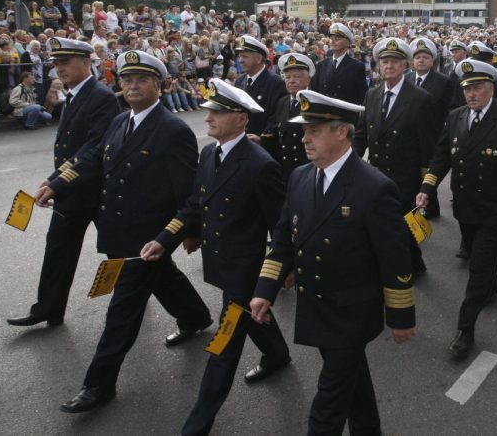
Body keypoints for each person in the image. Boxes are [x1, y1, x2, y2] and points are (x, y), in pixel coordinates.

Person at [39, 50, 213, 414]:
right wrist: (58, 183)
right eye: (127, 80)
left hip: (150, 234)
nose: (133, 86)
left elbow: (187, 191)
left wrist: (189, 232)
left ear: (161, 86)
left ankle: (98, 383)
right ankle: (195, 316)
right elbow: (93, 160)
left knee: (122, 311)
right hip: (118, 229)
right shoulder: (120, 122)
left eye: (142, 80)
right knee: (163, 276)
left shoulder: (173, 130)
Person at [249, 90, 416, 435]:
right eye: (304, 130)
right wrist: (265, 289)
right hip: (316, 305)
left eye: (315, 131)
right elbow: (283, 239)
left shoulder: (374, 187)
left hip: (351, 312)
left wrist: (400, 317)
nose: (305, 138)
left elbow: (394, 257)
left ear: (342, 132)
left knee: (328, 404)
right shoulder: (299, 176)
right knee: (353, 383)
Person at [141, 79, 291, 435]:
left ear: (241, 119)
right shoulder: (210, 153)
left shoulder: (260, 164)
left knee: (224, 343)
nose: (208, 117)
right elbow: (194, 203)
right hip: (220, 263)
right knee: (251, 317)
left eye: (217, 111)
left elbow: (280, 226)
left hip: (245, 268)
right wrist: (165, 239)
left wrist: (282, 271)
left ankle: (199, 421)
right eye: (209, 109)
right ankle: (279, 355)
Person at [416, 59, 497, 359]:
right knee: (477, 258)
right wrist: (427, 188)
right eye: (467, 88)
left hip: (495, 208)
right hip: (465, 205)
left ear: (491, 88)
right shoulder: (456, 116)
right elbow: (442, 155)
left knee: (478, 267)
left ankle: (465, 330)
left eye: (478, 88)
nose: (471, 94)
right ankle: (491, 284)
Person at [7, 38, 120, 329]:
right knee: (58, 248)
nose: (60, 68)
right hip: (73, 190)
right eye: (56, 64)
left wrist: (58, 182)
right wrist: (55, 179)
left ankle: (183, 310)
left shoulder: (101, 96)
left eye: (65, 62)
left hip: (97, 189)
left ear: (86, 63)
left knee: (123, 250)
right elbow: (72, 147)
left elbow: (95, 148)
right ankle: (48, 309)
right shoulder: (73, 95)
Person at [354, 37, 436, 276]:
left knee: (398, 224)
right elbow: (361, 134)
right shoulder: (372, 94)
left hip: (405, 176)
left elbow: (427, 146)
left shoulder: (420, 98)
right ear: (378, 65)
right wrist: (350, 161)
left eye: (394, 61)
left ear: (405, 65)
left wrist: (425, 185)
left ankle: (405, 268)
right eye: (384, 61)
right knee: (386, 223)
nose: (388, 66)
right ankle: (411, 264)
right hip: (375, 173)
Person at [405, 37, 454, 219]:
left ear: (432, 61)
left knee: (428, 173)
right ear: (412, 61)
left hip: (433, 135)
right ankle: (423, 208)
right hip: (410, 136)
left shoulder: (444, 81)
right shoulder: (406, 78)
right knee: (412, 173)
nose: (421, 60)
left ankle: (430, 207)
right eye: (418, 57)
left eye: (425, 57)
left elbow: (451, 110)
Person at [260, 52, 315, 176]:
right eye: (287, 77)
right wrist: (261, 139)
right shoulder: (283, 102)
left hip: (307, 169)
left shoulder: (315, 102)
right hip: (284, 168)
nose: (291, 81)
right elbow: (276, 130)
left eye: (296, 76)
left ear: (308, 79)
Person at [233, 35, 288, 140]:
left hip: (263, 146)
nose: (240, 60)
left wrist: (263, 139)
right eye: (240, 56)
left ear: (258, 59)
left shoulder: (276, 83)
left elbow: (277, 118)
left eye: (245, 56)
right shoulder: (240, 81)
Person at [311, 23, 368, 105]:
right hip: (322, 114)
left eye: (337, 38)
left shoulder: (356, 66)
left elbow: (362, 96)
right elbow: (314, 92)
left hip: (345, 115)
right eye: (331, 38)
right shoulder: (321, 65)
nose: (333, 41)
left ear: (347, 43)